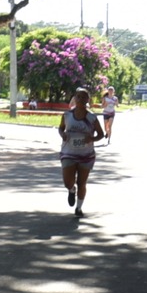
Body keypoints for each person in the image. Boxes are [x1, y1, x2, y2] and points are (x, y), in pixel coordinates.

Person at [57, 86, 105, 218]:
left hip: (86, 154)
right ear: (75, 98)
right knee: (68, 182)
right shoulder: (67, 115)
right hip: (68, 152)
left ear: (88, 99)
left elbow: (101, 134)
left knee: (82, 183)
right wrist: (63, 135)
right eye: (79, 97)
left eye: (84, 97)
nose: (81, 99)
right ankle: (71, 190)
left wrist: (92, 138)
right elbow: (61, 128)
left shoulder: (92, 118)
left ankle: (78, 208)